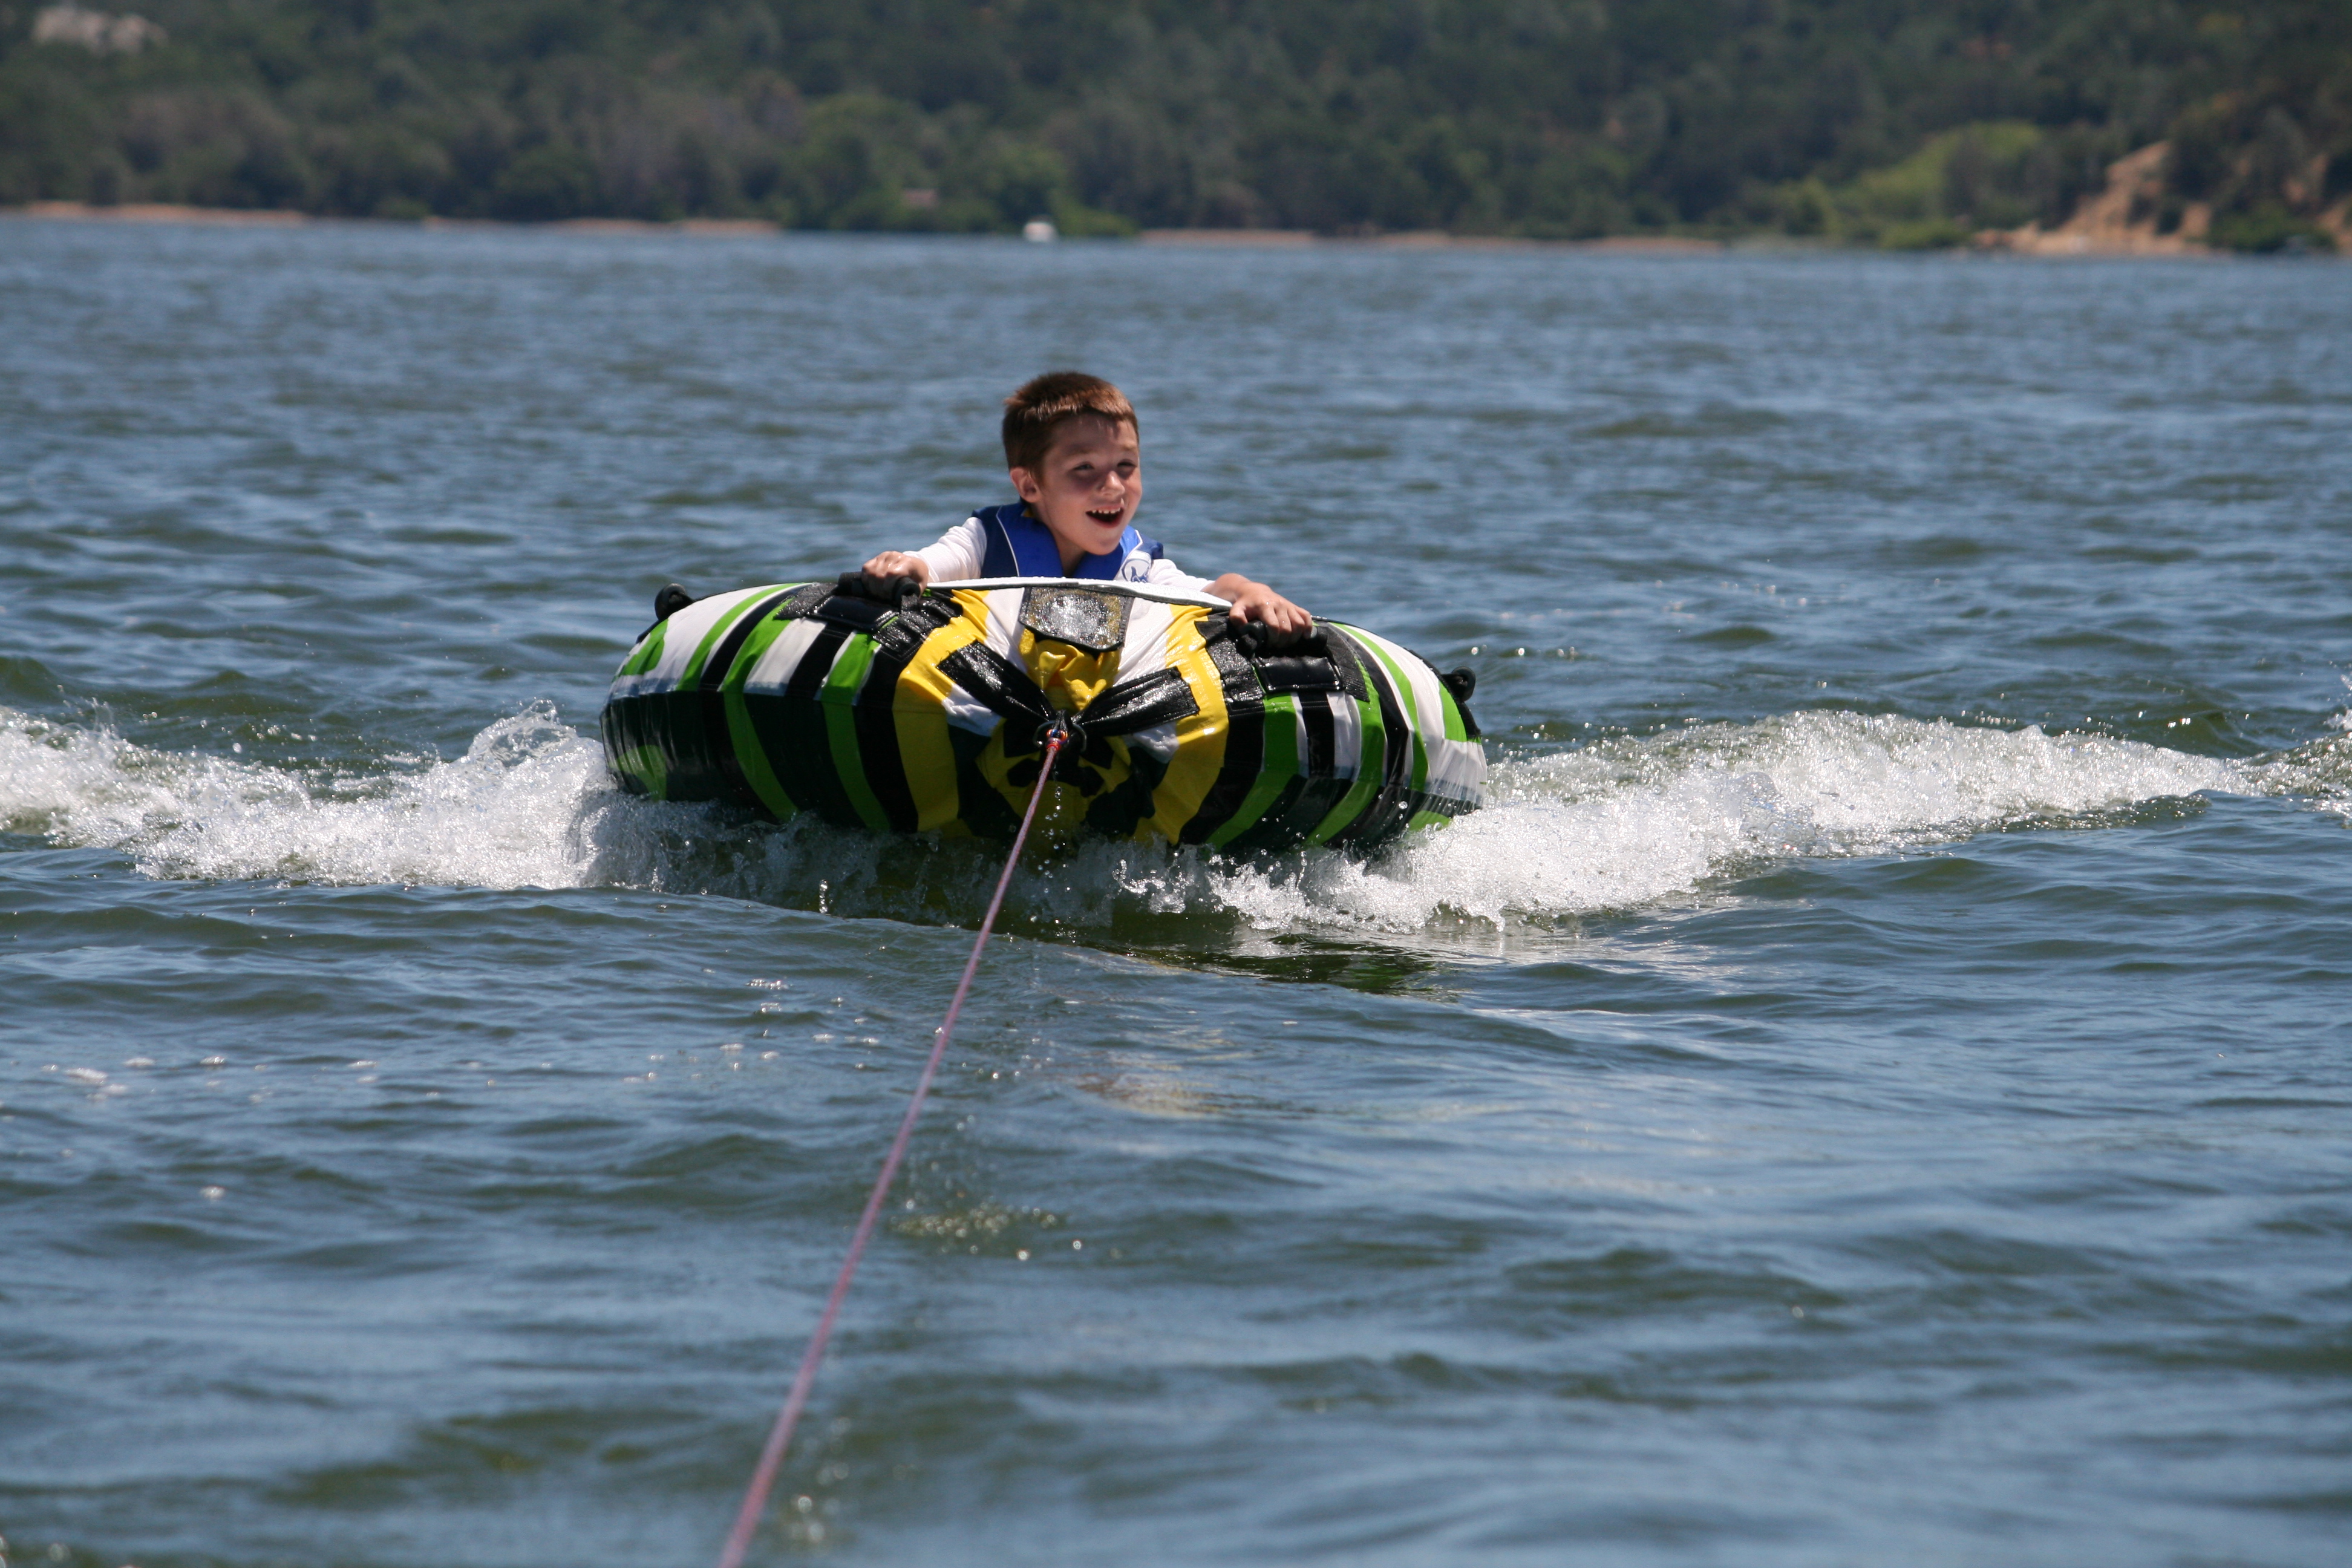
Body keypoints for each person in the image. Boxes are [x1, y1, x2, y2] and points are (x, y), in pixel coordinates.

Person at [861, 371, 1312, 641]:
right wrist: (905, 566)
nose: (1113, 486)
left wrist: (1251, 590)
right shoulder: (985, 541)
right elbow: (933, 565)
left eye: (1126, 465)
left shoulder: (1138, 567)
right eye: (1084, 468)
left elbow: (1212, 591)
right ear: (1030, 484)